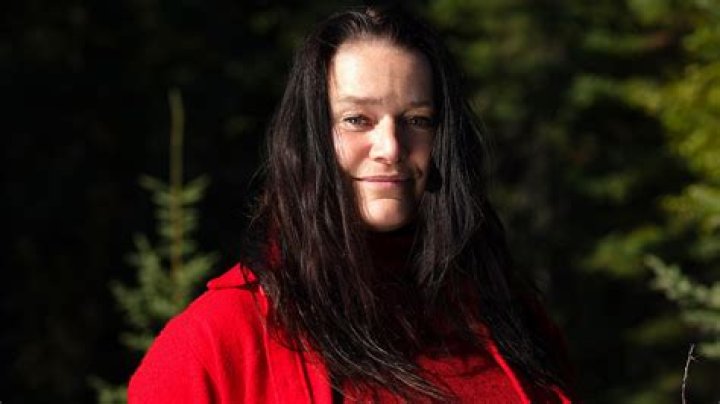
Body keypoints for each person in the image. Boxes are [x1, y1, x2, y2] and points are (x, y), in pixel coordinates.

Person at [129, 6, 576, 403]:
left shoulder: (510, 319)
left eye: (417, 120)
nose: (391, 147)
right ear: (310, 139)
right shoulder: (214, 343)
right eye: (357, 119)